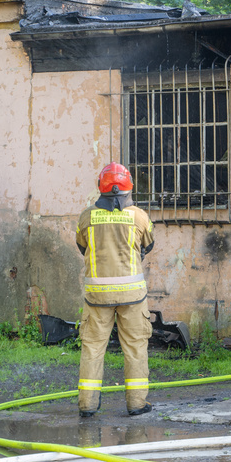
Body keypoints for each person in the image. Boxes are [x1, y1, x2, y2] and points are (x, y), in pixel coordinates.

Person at [75, 162, 155, 418]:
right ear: (128, 188)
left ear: (101, 187)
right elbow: (148, 245)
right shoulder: (139, 216)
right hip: (132, 297)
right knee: (135, 348)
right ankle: (136, 404)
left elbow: (81, 245)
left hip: (97, 297)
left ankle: (87, 405)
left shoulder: (87, 216)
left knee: (93, 348)